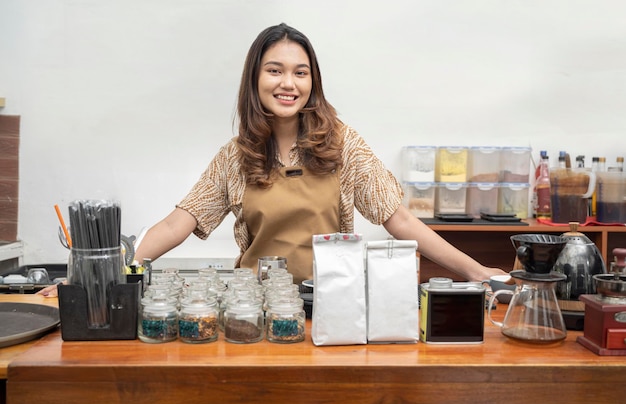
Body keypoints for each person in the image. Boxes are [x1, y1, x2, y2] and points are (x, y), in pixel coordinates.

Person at [39, 22, 503, 296]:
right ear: (256, 80)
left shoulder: (344, 146)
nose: (289, 83)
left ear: (312, 83)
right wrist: (93, 274)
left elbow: (398, 219)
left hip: (330, 303)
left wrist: (478, 272)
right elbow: (175, 225)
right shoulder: (235, 157)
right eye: (275, 70)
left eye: (300, 73)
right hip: (256, 308)